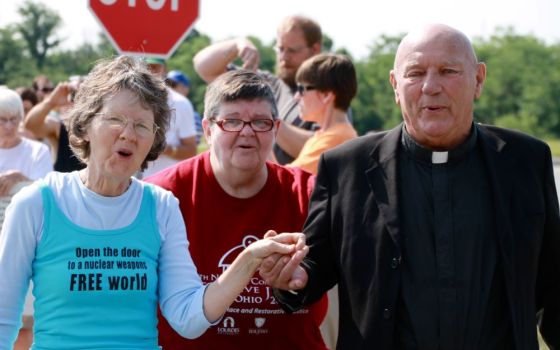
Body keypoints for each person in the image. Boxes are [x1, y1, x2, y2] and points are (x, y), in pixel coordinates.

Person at [260, 24, 560, 350]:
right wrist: (290, 277)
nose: (431, 87)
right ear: (395, 85)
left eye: (448, 71)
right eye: (415, 73)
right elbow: (312, 269)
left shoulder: (526, 162)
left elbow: (552, 284)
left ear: (478, 79)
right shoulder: (347, 168)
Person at [0, 56, 306, 349]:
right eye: (115, 119)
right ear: (85, 125)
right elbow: (3, 318)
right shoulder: (36, 204)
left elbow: (188, 318)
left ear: (154, 141)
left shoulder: (161, 206)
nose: (129, 134)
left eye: (142, 125)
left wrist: (249, 259)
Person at [145, 70, 328, 349]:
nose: (247, 131)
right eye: (231, 121)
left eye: (260, 122)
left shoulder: (311, 194)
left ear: (276, 128)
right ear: (207, 129)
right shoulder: (162, 196)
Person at [286, 52, 358, 349]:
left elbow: (286, 182)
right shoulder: (322, 136)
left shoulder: (338, 138)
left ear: (327, 95)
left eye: (303, 89)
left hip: (324, 265)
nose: (296, 96)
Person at [193, 15, 322, 164]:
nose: (284, 57)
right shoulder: (269, 83)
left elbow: (319, 149)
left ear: (315, 49)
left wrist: (266, 117)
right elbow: (203, 66)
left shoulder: (329, 95)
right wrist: (238, 44)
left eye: (292, 51)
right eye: (280, 49)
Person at [0, 87, 53, 350]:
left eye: (14, 119)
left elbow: (47, 194)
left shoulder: (36, 151)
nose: (9, 126)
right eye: (2, 119)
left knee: (23, 323)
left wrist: (19, 176)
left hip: (24, 245)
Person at [143, 58, 197, 177]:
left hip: (169, 181)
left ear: (165, 70)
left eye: (155, 67)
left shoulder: (181, 103)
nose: (150, 71)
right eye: (146, 67)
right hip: (133, 183)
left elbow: (191, 150)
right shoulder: (130, 100)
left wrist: (163, 148)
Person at [23, 80, 85, 172]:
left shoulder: (105, 130)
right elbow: (31, 125)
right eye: (73, 95)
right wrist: (51, 102)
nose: (77, 103)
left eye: (84, 97)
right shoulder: (59, 128)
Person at [166, 69, 203, 144]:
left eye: (173, 85)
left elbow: (194, 143)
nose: (170, 88)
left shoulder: (194, 116)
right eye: (168, 84)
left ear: (186, 89)